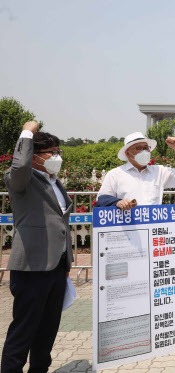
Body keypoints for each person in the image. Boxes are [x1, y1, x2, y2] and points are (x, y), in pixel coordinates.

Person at [1, 121, 74, 373]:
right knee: (24, 331)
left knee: (47, 332)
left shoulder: (54, 181)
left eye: (58, 152)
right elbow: (20, 163)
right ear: (34, 155)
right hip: (32, 267)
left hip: (56, 267)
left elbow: (61, 222)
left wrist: (67, 262)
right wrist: (26, 131)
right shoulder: (20, 178)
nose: (56, 157)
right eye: (50, 152)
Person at [97, 132, 175, 208]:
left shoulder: (158, 171)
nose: (144, 151)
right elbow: (102, 199)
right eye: (139, 148)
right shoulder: (115, 174)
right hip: (127, 227)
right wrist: (118, 202)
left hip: (152, 226)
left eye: (146, 148)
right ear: (128, 153)